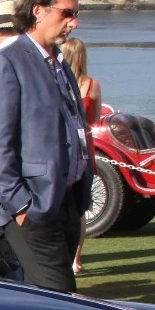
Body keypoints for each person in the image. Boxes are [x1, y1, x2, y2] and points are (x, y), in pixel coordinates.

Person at [0, 0, 93, 293]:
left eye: (76, 14)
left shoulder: (60, 63)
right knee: (62, 296)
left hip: (66, 199)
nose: (73, 23)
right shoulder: (6, 61)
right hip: (33, 202)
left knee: (43, 299)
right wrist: (20, 204)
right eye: (66, 13)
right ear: (38, 10)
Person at [59, 37, 101, 274]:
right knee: (80, 205)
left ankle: (65, 255)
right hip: (85, 146)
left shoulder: (58, 82)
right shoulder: (92, 85)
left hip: (64, 145)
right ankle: (76, 258)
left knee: (62, 202)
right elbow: (94, 119)